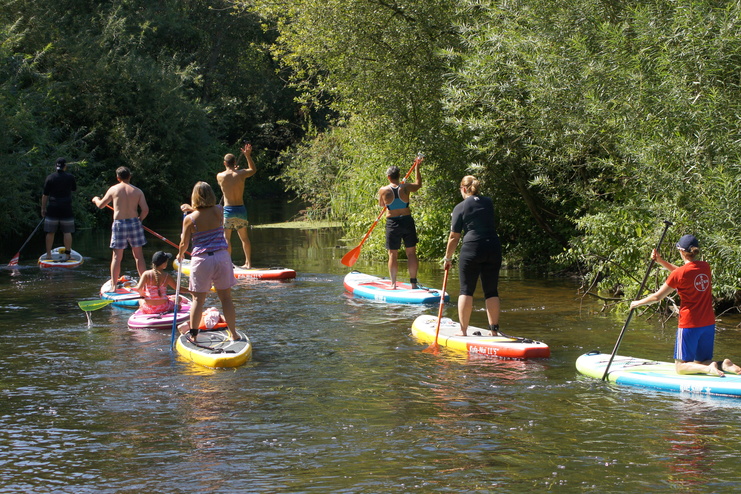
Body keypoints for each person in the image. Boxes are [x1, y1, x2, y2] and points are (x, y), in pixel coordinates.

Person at [630, 234, 741, 376]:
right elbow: (682, 273)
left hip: (689, 324)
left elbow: (657, 297)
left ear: (681, 251)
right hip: (708, 322)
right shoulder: (705, 267)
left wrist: (636, 303)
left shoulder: (680, 274)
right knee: (702, 360)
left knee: (680, 368)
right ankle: (723, 365)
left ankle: (709, 369)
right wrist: (661, 261)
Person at [177, 181, 239, 342]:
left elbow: (184, 243)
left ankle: (194, 336)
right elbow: (207, 212)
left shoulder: (189, 219)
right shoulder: (219, 211)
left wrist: (180, 254)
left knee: (198, 299)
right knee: (226, 298)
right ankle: (233, 333)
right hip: (222, 257)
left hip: (201, 260)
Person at [443, 176, 502, 337]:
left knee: (466, 290)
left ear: (463, 189)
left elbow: (454, 236)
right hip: (493, 247)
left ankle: (463, 331)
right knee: (491, 291)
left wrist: (448, 258)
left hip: (472, 248)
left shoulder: (460, 207)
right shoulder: (488, 202)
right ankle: (494, 331)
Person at [92, 166, 149, 288]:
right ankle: (144, 285)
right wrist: (139, 220)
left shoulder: (114, 189)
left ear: (118, 178)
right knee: (139, 256)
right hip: (134, 223)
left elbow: (101, 205)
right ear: (130, 176)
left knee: (117, 257)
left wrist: (96, 199)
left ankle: (113, 285)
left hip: (119, 223)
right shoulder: (138, 191)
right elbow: (145, 210)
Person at [378, 156, 422, 288]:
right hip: (407, 221)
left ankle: (393, 284)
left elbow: (381, 205)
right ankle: (413, 283)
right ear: (399, 176)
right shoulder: (406, 187)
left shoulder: (383, 190)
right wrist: (417, 166)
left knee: (392, 253)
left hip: (392, 223)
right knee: (411, 252)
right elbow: (418, 184)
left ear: (388, 177)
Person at [216, 143, 256, 268]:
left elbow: (229, 176)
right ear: (234, 163)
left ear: (224, 163)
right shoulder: (241, 174)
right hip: (240, 209)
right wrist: (247, 156)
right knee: (244, 238)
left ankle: (228, 264)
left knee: (226, 238)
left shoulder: (220, 176)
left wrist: (234, 170)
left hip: (228, 210)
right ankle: (248, 263)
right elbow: (253, 170)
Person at [41, 158, 77, 259]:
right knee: (67, 231)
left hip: (52, 207)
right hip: (66, 207)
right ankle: (68, 255)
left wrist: (43, 208)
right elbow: (73, 189)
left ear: (55, 166)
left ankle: (48, 255)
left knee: (50, 232)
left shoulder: (50, 177)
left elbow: (45, 195)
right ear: (65, 166)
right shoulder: (70, 177)